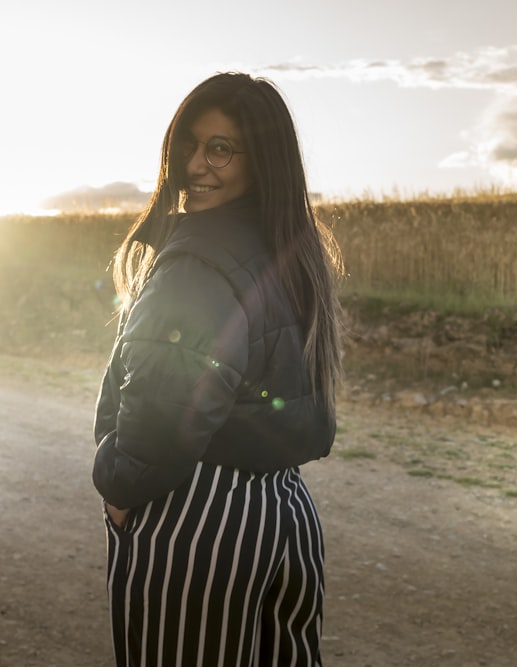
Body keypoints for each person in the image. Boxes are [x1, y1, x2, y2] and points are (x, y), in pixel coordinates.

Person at [92, 71, 343, 667]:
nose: (195, 165)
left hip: (198, 517)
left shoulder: (198, 263)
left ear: (262, 162)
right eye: (188, 145)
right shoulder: (291, 251)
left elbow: (165, 403)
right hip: (285, 515)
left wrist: (120, 489)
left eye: (220, 149)